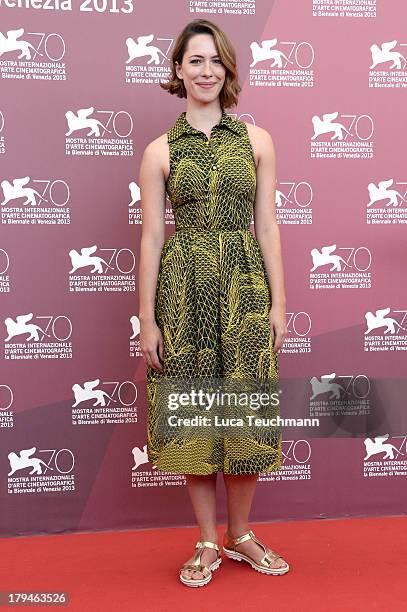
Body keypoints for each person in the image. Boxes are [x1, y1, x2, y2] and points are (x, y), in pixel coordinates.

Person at [138, 18, 289, 587]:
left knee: (245, 413)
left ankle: (240, 535)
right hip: (183, 292)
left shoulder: (257, 140)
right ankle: (206, 540)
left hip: (246, 287)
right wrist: (148, 318)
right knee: (196, 416)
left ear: (227, 69)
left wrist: (279, 303)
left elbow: (268, 225)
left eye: (215, 61)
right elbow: (152, 237)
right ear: (178, 70)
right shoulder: (158, 152)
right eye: (194, 60)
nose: (206, 71)